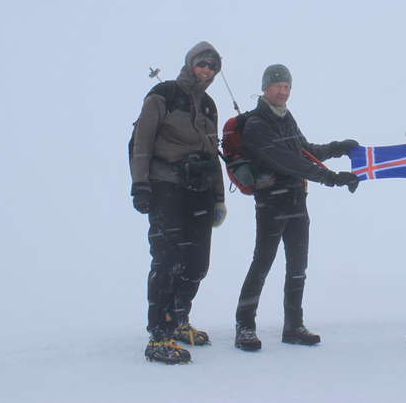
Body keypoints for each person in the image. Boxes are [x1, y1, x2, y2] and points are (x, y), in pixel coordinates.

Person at [234, 64, 360, 351]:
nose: (283, 91)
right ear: (265, 88)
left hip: (296, 200)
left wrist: (337, 148)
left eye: (287, 86)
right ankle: (245, 326)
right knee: (262, 263)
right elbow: (288, 162)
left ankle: (293, 326)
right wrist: (331, 178)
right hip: (271, 202)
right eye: (278, 86)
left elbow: (304, 151)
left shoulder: (285, 117)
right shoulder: (257, 124)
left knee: (297, 266)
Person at [130, 41, 228, 364]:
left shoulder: (210, 106)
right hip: (165, 187)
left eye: (212, 67)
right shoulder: (164, 95)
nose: (207, 71)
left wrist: (218, 198)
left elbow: (213, 154)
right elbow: (142, 139)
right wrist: (140, 185)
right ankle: (158, 334)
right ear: (190, 63)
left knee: (198, 262)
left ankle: (179, 318)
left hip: (199, 191)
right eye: (202, 64)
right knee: (167, 259)